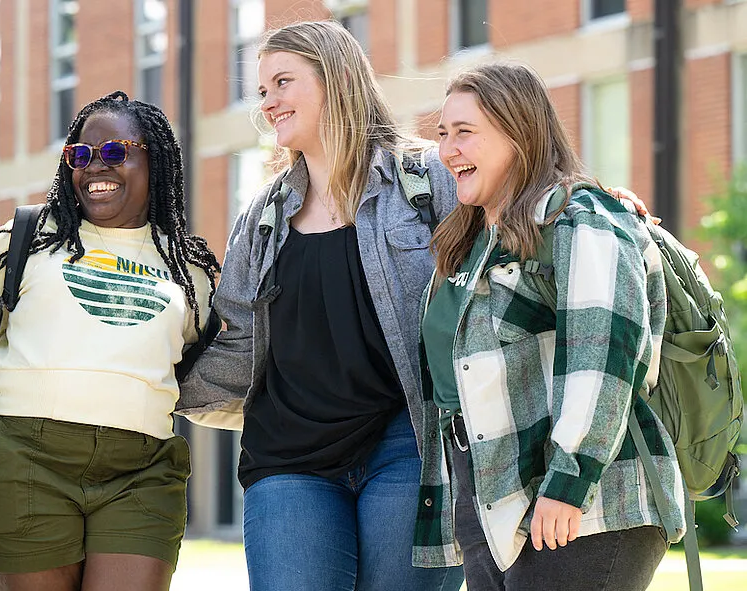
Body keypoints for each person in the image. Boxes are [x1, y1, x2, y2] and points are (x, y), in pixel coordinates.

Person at [176, 20, 465, 591]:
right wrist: (141, 379)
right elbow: (235, 342)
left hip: (411, 444)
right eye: (262, 91)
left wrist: (584, 199)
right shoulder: (261, 217)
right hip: (289, 457)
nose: (269, 103)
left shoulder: (428, 179)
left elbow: (515, 233)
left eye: (283, 83)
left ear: (335, 80)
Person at [0, 91, 221, 591]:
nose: (93, 167)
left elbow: (214, 372)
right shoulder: (28, 239)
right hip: (24, 458)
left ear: (154, 157)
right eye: (80, 155)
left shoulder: (189, 266)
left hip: (143, 468)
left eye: (114, 152)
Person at [415, 61, 685, 590]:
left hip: (586, 499)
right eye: (443, 134)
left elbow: (605, 352)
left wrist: (569, 480)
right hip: (490, 493)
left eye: (465, 133)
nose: (448, 150)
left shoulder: (580, 217)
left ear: (519, 133)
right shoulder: (471, 242)